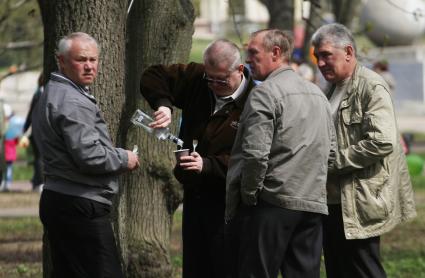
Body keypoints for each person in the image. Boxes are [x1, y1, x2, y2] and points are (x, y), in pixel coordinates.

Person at [140, 39, 256, 278]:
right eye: (210, 78)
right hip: (194, 194)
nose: (214, 85)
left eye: (221, 80)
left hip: (230, 203)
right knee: (195, 266)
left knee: (225, 267)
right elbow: (153, 75)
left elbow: (253, 158)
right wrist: (164, 105)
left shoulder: (255, 102)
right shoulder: (197, 79)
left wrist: (210, 165)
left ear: (240, 70)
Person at [225, 29, 334, 277]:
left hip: (272, 203)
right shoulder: (319, 94)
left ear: (276, 53)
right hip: (311, 203)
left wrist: (250, 196)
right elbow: (331, 152)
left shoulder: (264, 93)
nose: (248, 59)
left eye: (253, 52)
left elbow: (255, 154)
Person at [311, 23, 417, 278]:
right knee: (338, 269)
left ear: (348, 51)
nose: (321, 63)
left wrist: (335, 162)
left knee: (363, 269)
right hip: (332, 200)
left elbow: (382, 140)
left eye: (326, 55)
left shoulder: (371, 86)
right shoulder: (332, 87)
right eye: (318, 57)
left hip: (360, 200)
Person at [32, 32, 140, 277]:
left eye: (94, 59)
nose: (90, 66)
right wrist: (125, 158)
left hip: (61, 198)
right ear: (61, 61)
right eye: (81, 59)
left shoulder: (52, 91)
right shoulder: (73, 101)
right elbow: (89, 156)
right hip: (79, 203)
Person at [23, 73, 44, 192]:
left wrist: (25, 128)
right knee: (39, 158)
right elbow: (31, 113)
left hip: (36, 131)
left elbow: (30, 113)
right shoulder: (41, 94)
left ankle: (37, 180)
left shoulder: (38, 94)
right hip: (40, 132)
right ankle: (39, 181)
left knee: (38, 158)